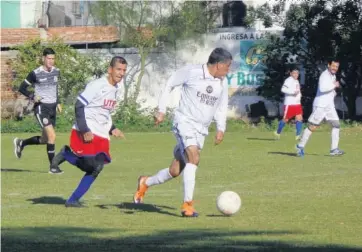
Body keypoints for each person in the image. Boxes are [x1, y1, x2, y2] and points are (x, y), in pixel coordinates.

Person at [133, 48, 232, 217]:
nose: (229, 70)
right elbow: (169, 84)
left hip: (201, 129)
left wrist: (221, 128)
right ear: (219, 64)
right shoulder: (192, 72)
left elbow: (222, 106)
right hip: (184, 122)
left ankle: (145, 182)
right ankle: (187, 205)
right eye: (228, 66)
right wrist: (161, 110)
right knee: (194, 157)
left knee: (175, 170)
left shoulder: (222, 82)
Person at [50, 56, 127, 207]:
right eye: (118, 69)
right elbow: (79, 105)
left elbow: (103, 112)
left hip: (102, 134)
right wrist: (85, 129)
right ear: (110, 70)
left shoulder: (116, 89)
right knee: (90, 165)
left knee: (97, 168)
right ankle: (67, 153)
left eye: (124, 70)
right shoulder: (97, 85)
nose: (121, 73)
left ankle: (72, 200)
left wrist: (113, 129)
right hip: (86, 129)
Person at [13, 48, 63, 174]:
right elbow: (22, 88)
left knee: (45, 140)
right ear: (43, 58)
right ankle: (53, 166)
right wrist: (32, 96)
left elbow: (55, 88)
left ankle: (21, 143)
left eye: (53, 58)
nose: (51, 61)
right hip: (41, 108)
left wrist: (58, 102)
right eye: (49, 58)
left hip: (52, 108)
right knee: (52, 136)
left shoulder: (56, 71)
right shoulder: (35, 73)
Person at [296, 59, 344, 157]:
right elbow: (322, 88)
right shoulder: (324, 75)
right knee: (313, 126)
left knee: (336, 125)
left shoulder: (333, 76)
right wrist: (334, 85)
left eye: (337, 67)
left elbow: (329, 90)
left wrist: (335, 90)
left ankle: (334, 149)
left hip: (329, 106)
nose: (335, 68)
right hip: (320, 105)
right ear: (329, 65)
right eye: (333, 66)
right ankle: (300, 147)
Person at [274, 66, 303, 140]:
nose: (296, 75)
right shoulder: (288, 80)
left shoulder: (296, 81)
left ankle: (298, 135)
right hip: (289, 104)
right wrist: (293, 92)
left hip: (297, 103)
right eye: (294, 73)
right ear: (291, 74)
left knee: (299, 118)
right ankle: (278, 132)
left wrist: (299, 96)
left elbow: (297, 91)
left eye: (297, 73)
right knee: (286, 119)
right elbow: (283, 89)